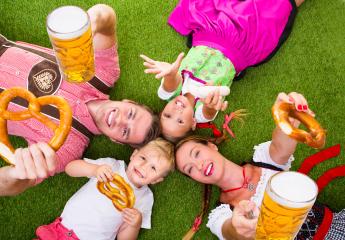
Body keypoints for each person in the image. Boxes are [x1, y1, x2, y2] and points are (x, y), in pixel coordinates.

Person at [0, 4, 160, 196]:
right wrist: (87, 27)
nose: (121, 120)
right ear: (129, 102)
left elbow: (10, 186)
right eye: (131, 114)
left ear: (115, 140)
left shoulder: (69, 148)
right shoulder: (104, 73)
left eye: (125, 131)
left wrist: (17, 173)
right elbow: (106, 16)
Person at [175, 92, 345, 240]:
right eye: (189, 169)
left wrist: (288, 119)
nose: (198, 165)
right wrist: (238, 227)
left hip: (336, 226)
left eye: (196, 153)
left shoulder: (263, 160)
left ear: (211, 146)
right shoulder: (220, 215)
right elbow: (229, 231)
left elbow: (281, 147)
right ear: (195, 178)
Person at [140, 0, 304, 142]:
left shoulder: (172, 92)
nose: (177, 111)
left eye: (167, 115)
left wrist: (169, 73)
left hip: (212, 29)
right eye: (180, 121)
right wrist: (210, 106)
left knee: (233, 5)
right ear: (193, 124)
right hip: (242, 46)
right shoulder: (200, 112)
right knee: (275, 11)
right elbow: (209, 113)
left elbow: (168, 85)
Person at [35, 138, 175, 240]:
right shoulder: (111, 166)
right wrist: (94, 170)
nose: (144, 167)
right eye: (143, 158)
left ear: (156, 180)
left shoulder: (145, 198)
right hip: (60, 230)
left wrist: (134, 225)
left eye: (153, 168)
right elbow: (70, 168)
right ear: (133, 155)